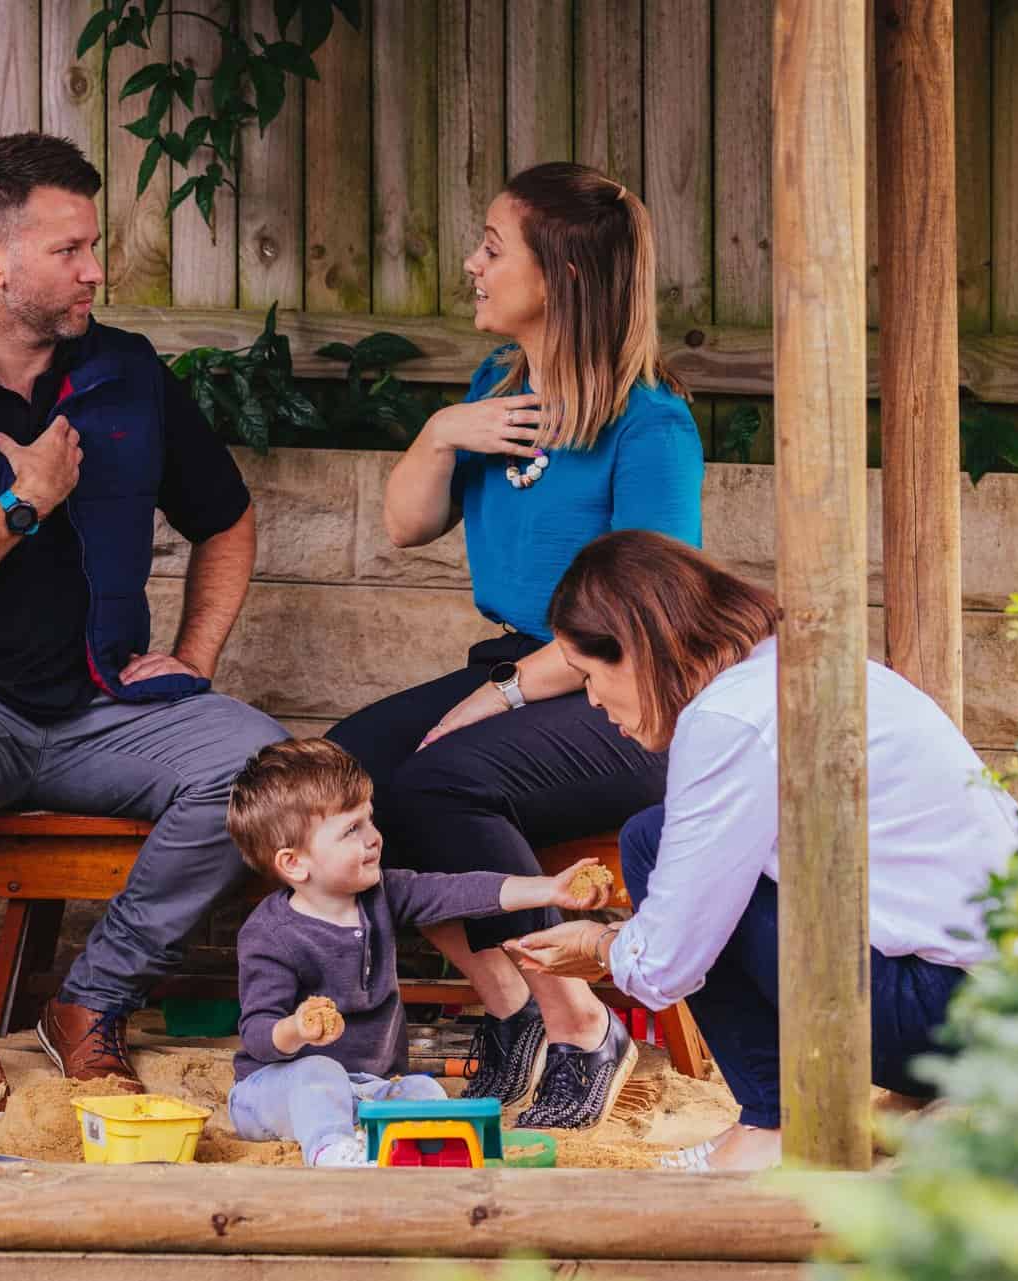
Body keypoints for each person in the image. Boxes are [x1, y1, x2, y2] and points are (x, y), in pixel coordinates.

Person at [0, 132, 286, 1119]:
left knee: (258, 761)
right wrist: (20, 507)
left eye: (93, 245)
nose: (95, 269)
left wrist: (192, 661)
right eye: (70, 248)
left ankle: (92, 1002)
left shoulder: (129, 376)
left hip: (102, 706)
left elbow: (228, 520)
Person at [327, 162, 702, 1126]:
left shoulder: (648, 423)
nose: (471, 265)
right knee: (335, 782)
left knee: (434, 782)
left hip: (627, 696)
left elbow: (642, 613)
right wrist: (443, 431)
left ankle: (581, 1022)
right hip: (515, 663)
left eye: (494, 249)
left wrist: (499, 699)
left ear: (564, 274)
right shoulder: (497, 391)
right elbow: (405, 526)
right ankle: (509, 1006)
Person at [509, 530, 1018, 1171]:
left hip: (948, 1017)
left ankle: (774, 1122)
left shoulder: (728, 718)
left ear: (638, 651)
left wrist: (596, 946)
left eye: (590, 675)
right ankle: (875, 1106)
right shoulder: (805, 668)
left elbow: (665, 964)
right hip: (1009, 1002)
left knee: (649, 839)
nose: (591, 700)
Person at [224, 739, 614, 1165]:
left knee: (423, 1090)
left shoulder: (383, 894)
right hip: (275, 1091)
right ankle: (332, 1155)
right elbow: (258, 1036)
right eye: (351, 830)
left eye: (369, 820)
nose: (374, 838)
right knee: (320, 1075)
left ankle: (408, 1151)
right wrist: (297, 1029)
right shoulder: (271, 935)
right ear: (294, 863)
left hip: (368, 1088)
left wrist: (548, 888)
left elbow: (462, 891)